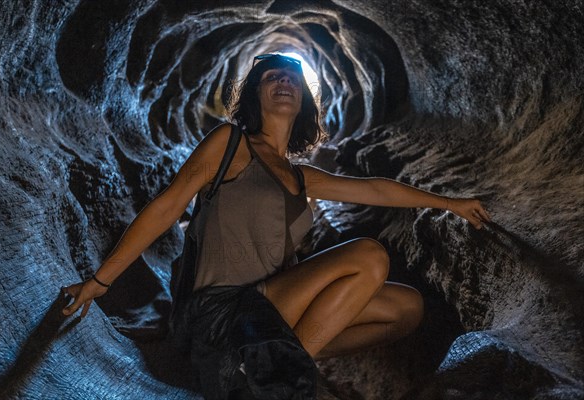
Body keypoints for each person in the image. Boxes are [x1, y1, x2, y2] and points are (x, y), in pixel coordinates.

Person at [62, 54, 491, 399]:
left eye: (293, 77)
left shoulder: (300, 177)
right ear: (256, 93)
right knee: (369, 256)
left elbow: (376, 190)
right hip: (221, 312)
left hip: (268, 312)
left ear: (304, 98)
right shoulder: (229, 144)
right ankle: (278, 375)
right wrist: (102, 281)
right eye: (272, 76)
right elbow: (165, 207)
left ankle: (274, 364)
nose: (284, 80)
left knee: (406, 308)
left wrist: (450, 203)